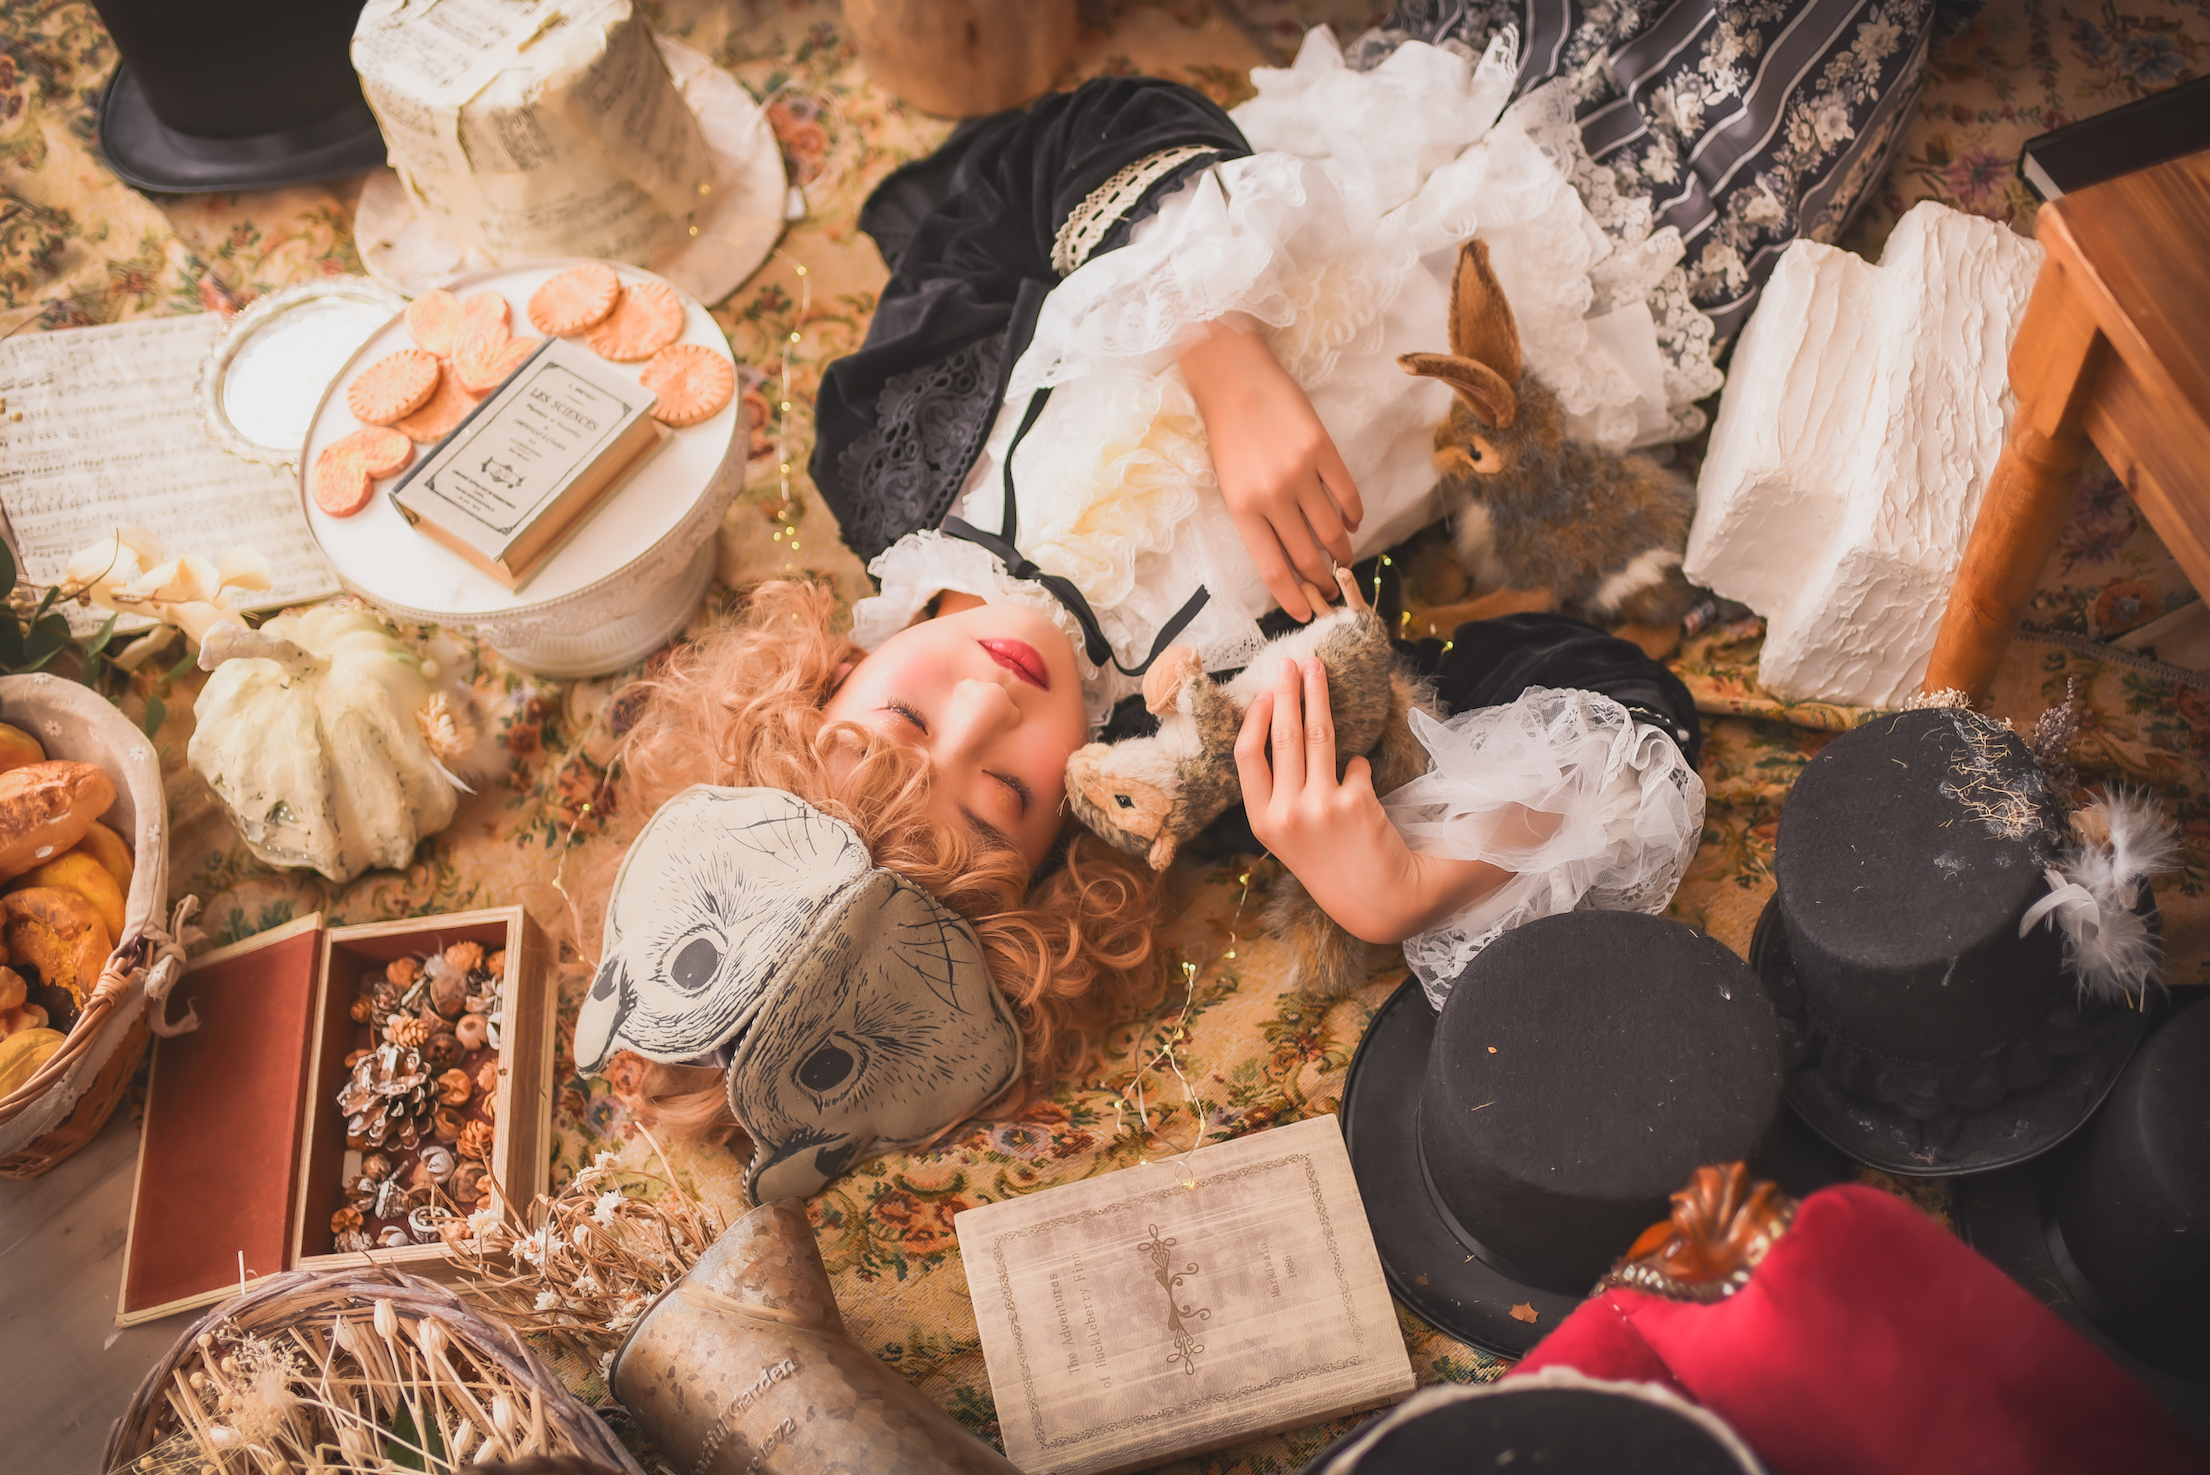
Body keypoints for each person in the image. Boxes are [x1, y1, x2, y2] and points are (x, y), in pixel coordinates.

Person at [611, 22, 1749, 1136]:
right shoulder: (1230, 751)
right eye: (1003, 793)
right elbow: (1628, 705)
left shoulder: (878, 445)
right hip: (1652, 247)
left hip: (1445, 68)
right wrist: (1405, 884)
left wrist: (1214, 340)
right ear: (1054, 862)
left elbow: (1046, 155)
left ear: (820, 688)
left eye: (903, 722)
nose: (987, 703)